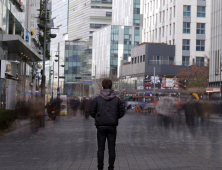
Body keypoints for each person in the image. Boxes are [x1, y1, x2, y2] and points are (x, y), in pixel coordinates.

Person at [89, 79, 125, 170]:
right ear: (111, 87)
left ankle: (100, 167)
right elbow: (122, 112)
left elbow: (91, 111)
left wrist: (98, 117)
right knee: (111, 148)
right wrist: (115, 117)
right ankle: (111, 167)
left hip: (101, 127)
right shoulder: (117, 99)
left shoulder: (97, 99)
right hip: (112, 127)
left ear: (102, 87)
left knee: (101, 148)